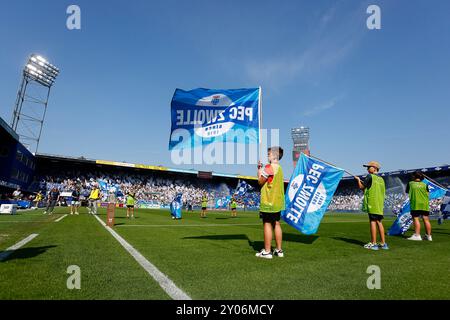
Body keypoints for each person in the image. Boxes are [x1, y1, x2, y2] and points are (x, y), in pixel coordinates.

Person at [256, 146, 285, 259]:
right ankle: (279, 250)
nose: (267, 155)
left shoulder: (269, 167)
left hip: (268, 201)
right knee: (276, 224)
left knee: (267, 223)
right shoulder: (280, 168)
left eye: (269, 153)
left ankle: (267, 251)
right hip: (277, 202)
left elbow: (260, 182)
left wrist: (259, 170)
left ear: (274, 155)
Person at [355, 161, 389, 250]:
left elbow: (362, 187)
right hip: (379, 204)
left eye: (368, 167)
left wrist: (358, 180)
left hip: (372, 203)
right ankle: (383, 243)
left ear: (374, 168)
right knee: (379, 222)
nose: (367, 169)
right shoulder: (381, 179)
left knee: (373, 222)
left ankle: (373, 243)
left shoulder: (370, 176)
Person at [406, 171, 432, 241]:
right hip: (425, 203)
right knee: (426, 219)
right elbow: (428, 194)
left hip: (416, 203)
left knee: (416, 218)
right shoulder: (424, 184)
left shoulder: (410, 183)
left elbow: (407, 193)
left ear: (414, 176)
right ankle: (428, 236)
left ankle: (417, 235)